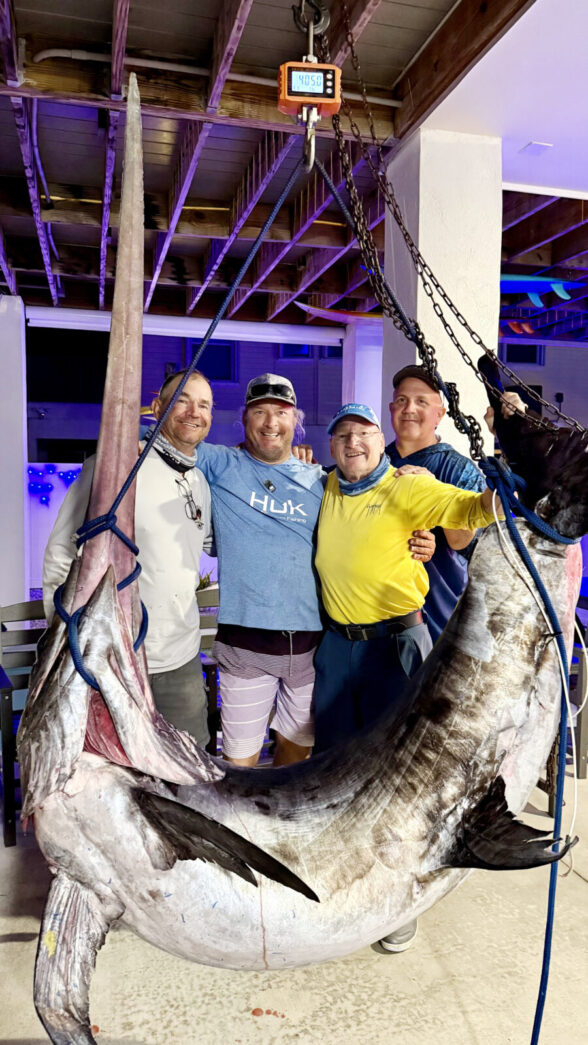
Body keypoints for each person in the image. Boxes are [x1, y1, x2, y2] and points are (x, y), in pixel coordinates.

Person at [312, 400, 503, 954]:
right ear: (331, 446)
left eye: (364, 433)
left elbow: (474, 508)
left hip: (394, 644)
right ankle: (338, 880)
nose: (353, 443)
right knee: (334, 764)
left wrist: (512, 478)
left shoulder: (407, 485)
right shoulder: (325, 486)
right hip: (336, 646)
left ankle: (396, 901)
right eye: (342, 435)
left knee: (399, 775)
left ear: (381, 442)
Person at [42, 370, 214, 745]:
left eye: (204, 405)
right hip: (114, 660)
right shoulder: (115, 467)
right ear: (157, 408)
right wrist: (67, 636)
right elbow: (61, 553)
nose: (194, 412)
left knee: (191, 762)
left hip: (181, 662)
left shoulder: (199, 482)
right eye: (182, 400)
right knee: (116, 767)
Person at [193, 373, 326, 768]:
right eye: (260, 412)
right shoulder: (221, 463)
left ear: (296, 421)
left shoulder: (319, 479)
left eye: (281, 413)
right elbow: (159, 439)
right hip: (246, 645)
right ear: (244, 419)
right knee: (238, 764)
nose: (271, 423)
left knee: (296, 760)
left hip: (310, 645)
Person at [386, 365, 485, 642]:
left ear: (439, 414)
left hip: (437, 621)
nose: (409, 409)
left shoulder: (459, 470)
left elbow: (467, 545)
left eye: (421, 402)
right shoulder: (375, 463)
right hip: (376, 621)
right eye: (402, 400)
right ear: (392, 408)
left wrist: (435, 493)